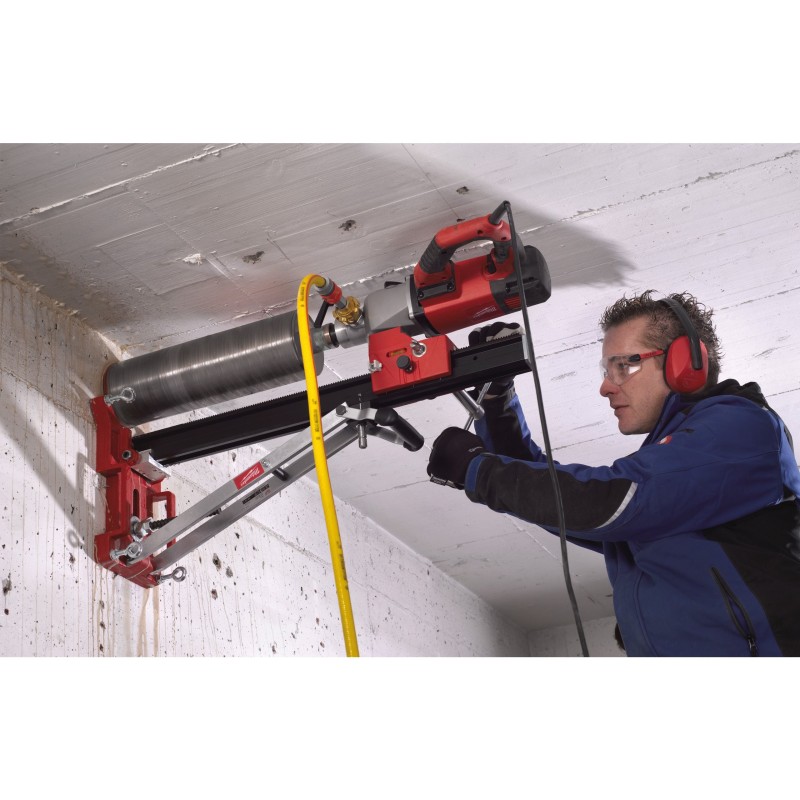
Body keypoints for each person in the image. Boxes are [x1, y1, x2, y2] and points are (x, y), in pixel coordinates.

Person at [427, 291, 800, 656]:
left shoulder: (742, 427)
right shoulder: (667, 483)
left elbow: (607, 503)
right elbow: (567, 507)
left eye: (624, 365)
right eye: (607, 371)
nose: (605, 387)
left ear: (686, 363)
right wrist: (496, 401)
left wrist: (479, 470)